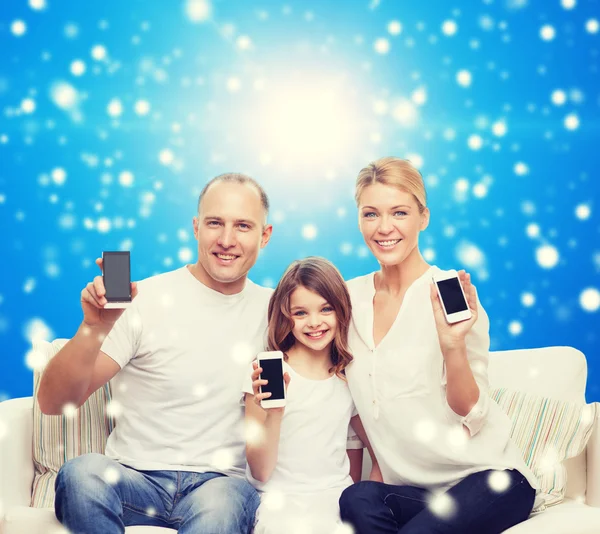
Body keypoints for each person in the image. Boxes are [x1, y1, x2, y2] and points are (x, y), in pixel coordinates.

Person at [37, 173, 274, 534]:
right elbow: (54, 402)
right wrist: (94, 328)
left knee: (222, 509)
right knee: (81, 475)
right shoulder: (143, 300)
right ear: (196, 228)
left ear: (264, 235)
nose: (227, 240)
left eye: (243, 225)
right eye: (215, 223)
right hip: (134, 477)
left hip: (219, 485)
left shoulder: (280, 314)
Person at [339, 157, 538, 534]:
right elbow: (356, 406)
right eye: (370, 214)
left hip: (491, 480)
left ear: (423, 217)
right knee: (356, 498)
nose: (384, 228)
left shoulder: (449, 294)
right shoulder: (349, 300)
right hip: (419, 493)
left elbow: (472, 412)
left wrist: (452, 345)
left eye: (399, 212)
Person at [244, 257, 380, 534]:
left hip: (336, 499)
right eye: (300, 313)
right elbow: (260, 471)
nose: (314, 322)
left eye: (326, 309)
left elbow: (377, 450)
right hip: (280, 501)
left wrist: (368, 498)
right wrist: (275, 413)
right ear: (285, 317)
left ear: (341, 310)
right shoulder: (265, 373)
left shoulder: (347, 377)